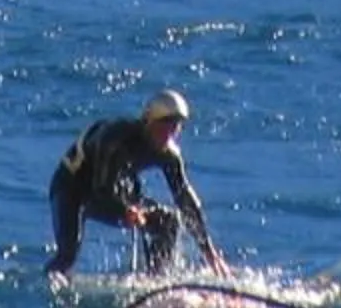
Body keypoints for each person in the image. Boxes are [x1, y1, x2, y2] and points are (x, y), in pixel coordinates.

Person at [45, 89, 224, 279]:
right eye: (163, 127)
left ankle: (157, 280)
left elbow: (185, 199)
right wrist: (125, 210)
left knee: (167, 221)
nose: (167, 135)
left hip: (113, 191)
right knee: (67, 255)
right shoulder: (115, 138)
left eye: (174, 128)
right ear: (149, 123)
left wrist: (208, 251)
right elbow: (101, 189)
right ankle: (49, 282)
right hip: (72, 189)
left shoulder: (169, 155)